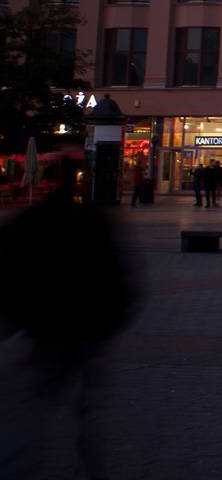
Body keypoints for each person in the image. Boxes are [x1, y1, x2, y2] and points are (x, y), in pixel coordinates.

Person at [0, 167, 136, 477]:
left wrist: (18, 323)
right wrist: (109, 324)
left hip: (44, 333)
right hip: (89, 333)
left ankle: (18, 464)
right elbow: (122, 279)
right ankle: (91, 466)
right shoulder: (95, 222)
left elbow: (7, 275)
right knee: (88, 410)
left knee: (30, 407)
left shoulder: (27, 222)